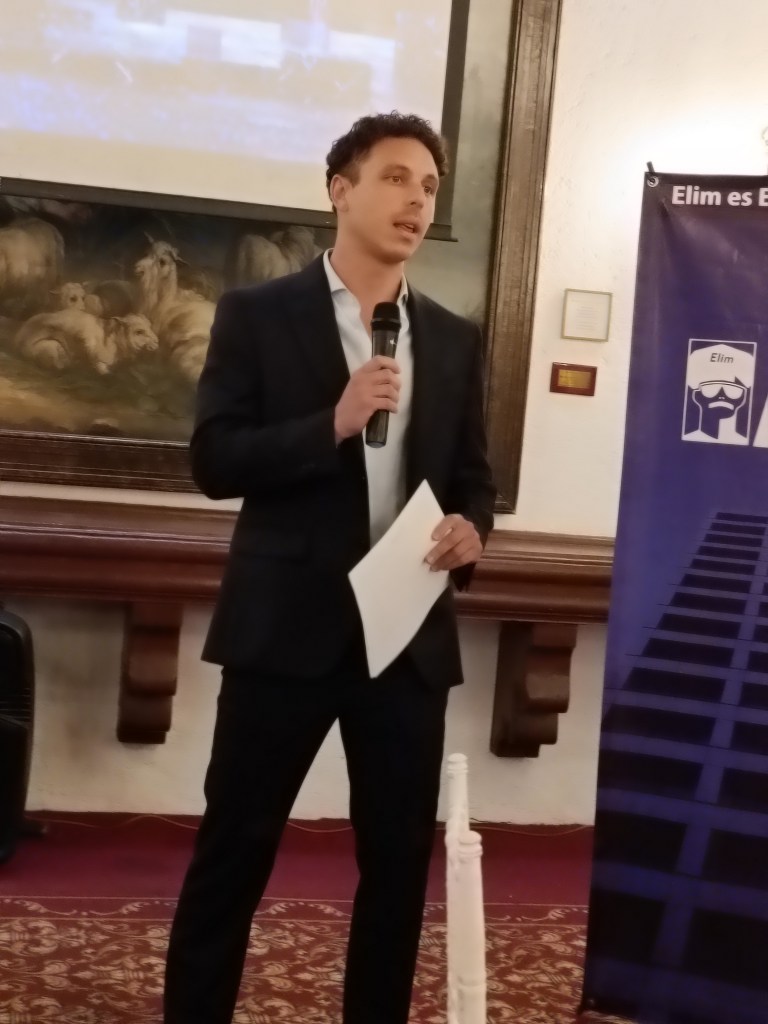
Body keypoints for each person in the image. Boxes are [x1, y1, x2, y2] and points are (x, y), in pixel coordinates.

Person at [163, 111, 496, 1024]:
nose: (417, 201)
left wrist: (471, 531)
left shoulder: (454, 338)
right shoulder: (257, 314)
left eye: (429, 187)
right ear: (339, 191)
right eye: (396, 178)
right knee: (235, 853)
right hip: (284, 632)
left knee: (396, 869)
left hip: (406, 640)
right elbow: (214, 461)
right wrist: (333, 424)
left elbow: (475, 481)